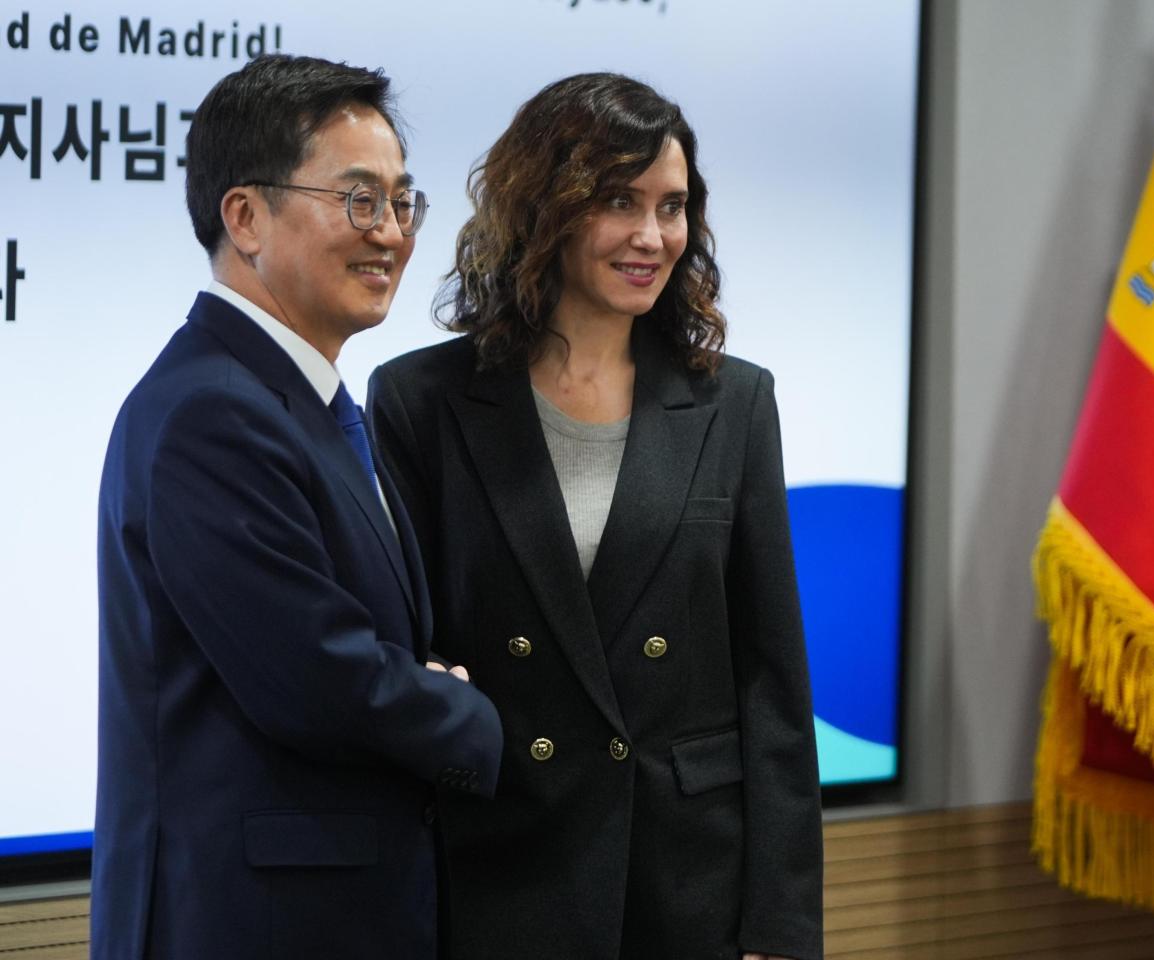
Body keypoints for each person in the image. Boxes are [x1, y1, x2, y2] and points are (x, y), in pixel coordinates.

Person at [368, 73, 822, 960]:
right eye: (621, 200)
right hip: (501, 865)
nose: (652, 236)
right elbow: (405, 652)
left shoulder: (734, 403)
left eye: (673, 206)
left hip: (690, 882)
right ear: (548, 206)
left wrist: (782, 924)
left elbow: (773, 683)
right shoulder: (420, 400)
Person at [92, 54, 502, 960]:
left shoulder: (301, 400)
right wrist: (469, 715)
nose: (391, 232)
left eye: (403, 202)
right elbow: (316, 679)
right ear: (245, 217)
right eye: (359, 199)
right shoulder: (213, 410)